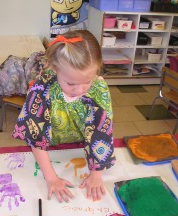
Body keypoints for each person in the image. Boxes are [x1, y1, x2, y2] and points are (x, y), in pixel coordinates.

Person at [12, 30, 115, 203]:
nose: (80, 90)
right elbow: (36, 136)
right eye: (71, 83)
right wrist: (52, 179)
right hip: (49, 149)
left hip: (79, 148)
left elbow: (102, 132)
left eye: (87, 82)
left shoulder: (99, 89)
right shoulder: (42, 88)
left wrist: (96, 175)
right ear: (55, 68)